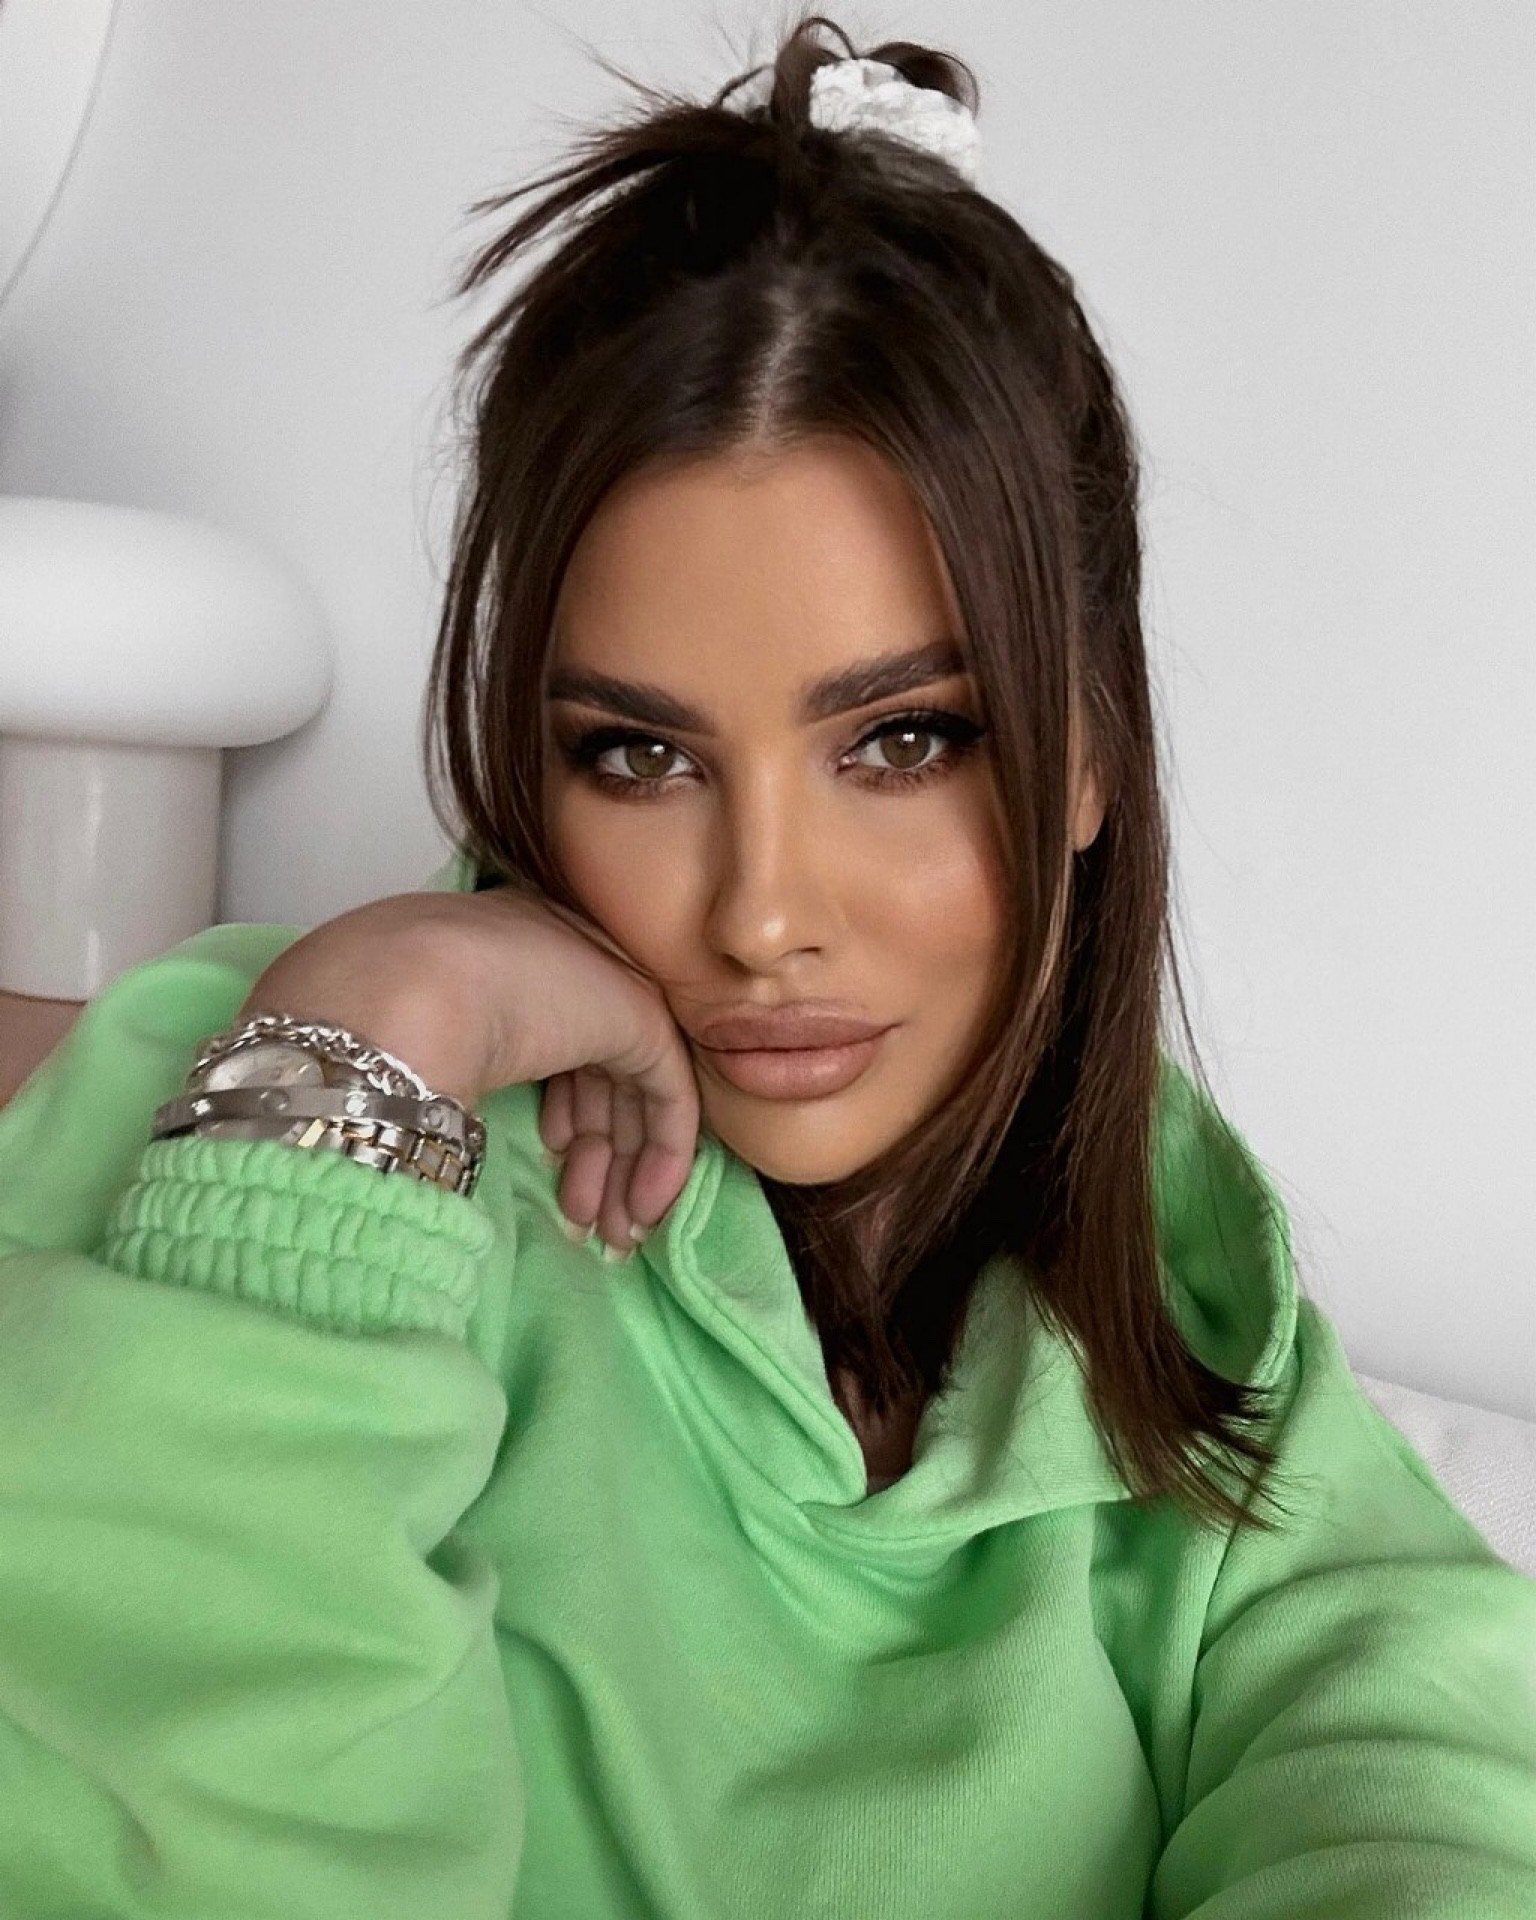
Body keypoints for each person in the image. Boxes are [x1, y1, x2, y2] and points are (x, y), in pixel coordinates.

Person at [0, 12, 1532, 1918]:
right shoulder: (283, 1102)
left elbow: (1420, 1768)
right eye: (637, 755)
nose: (761, 913)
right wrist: (376, 1027)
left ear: (1087, 755)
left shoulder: (1183, 1290)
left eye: (903, 739)